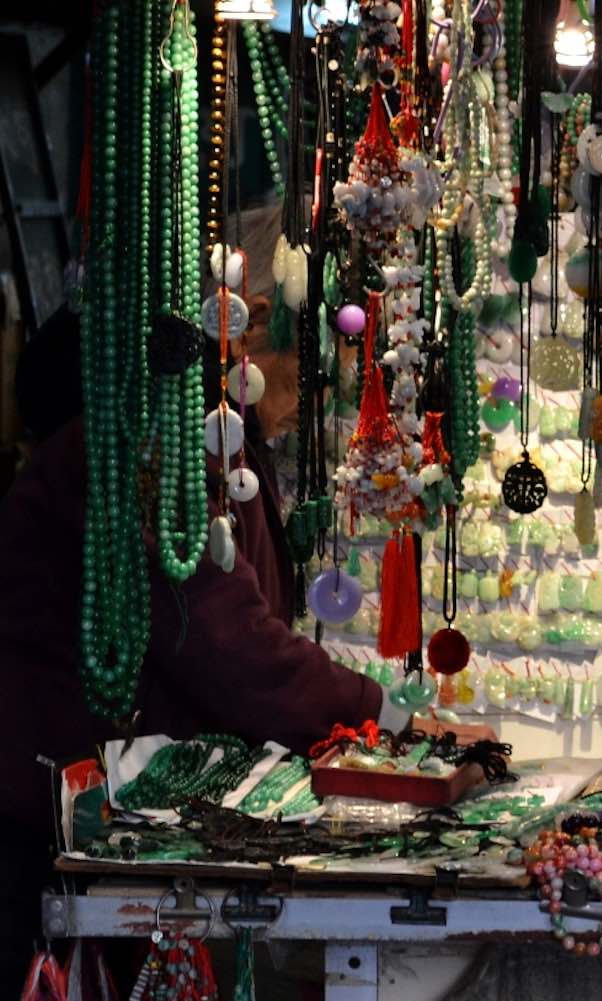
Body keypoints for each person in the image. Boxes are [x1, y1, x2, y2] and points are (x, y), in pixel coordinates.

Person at [0, 206, 401, 993]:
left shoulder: (208, 442)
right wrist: (382, 714)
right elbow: (226, 641)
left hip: (96, 811)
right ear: (244, 331)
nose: (324, 385)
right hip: (51, 820)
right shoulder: (152, 449)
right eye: (314, 360)